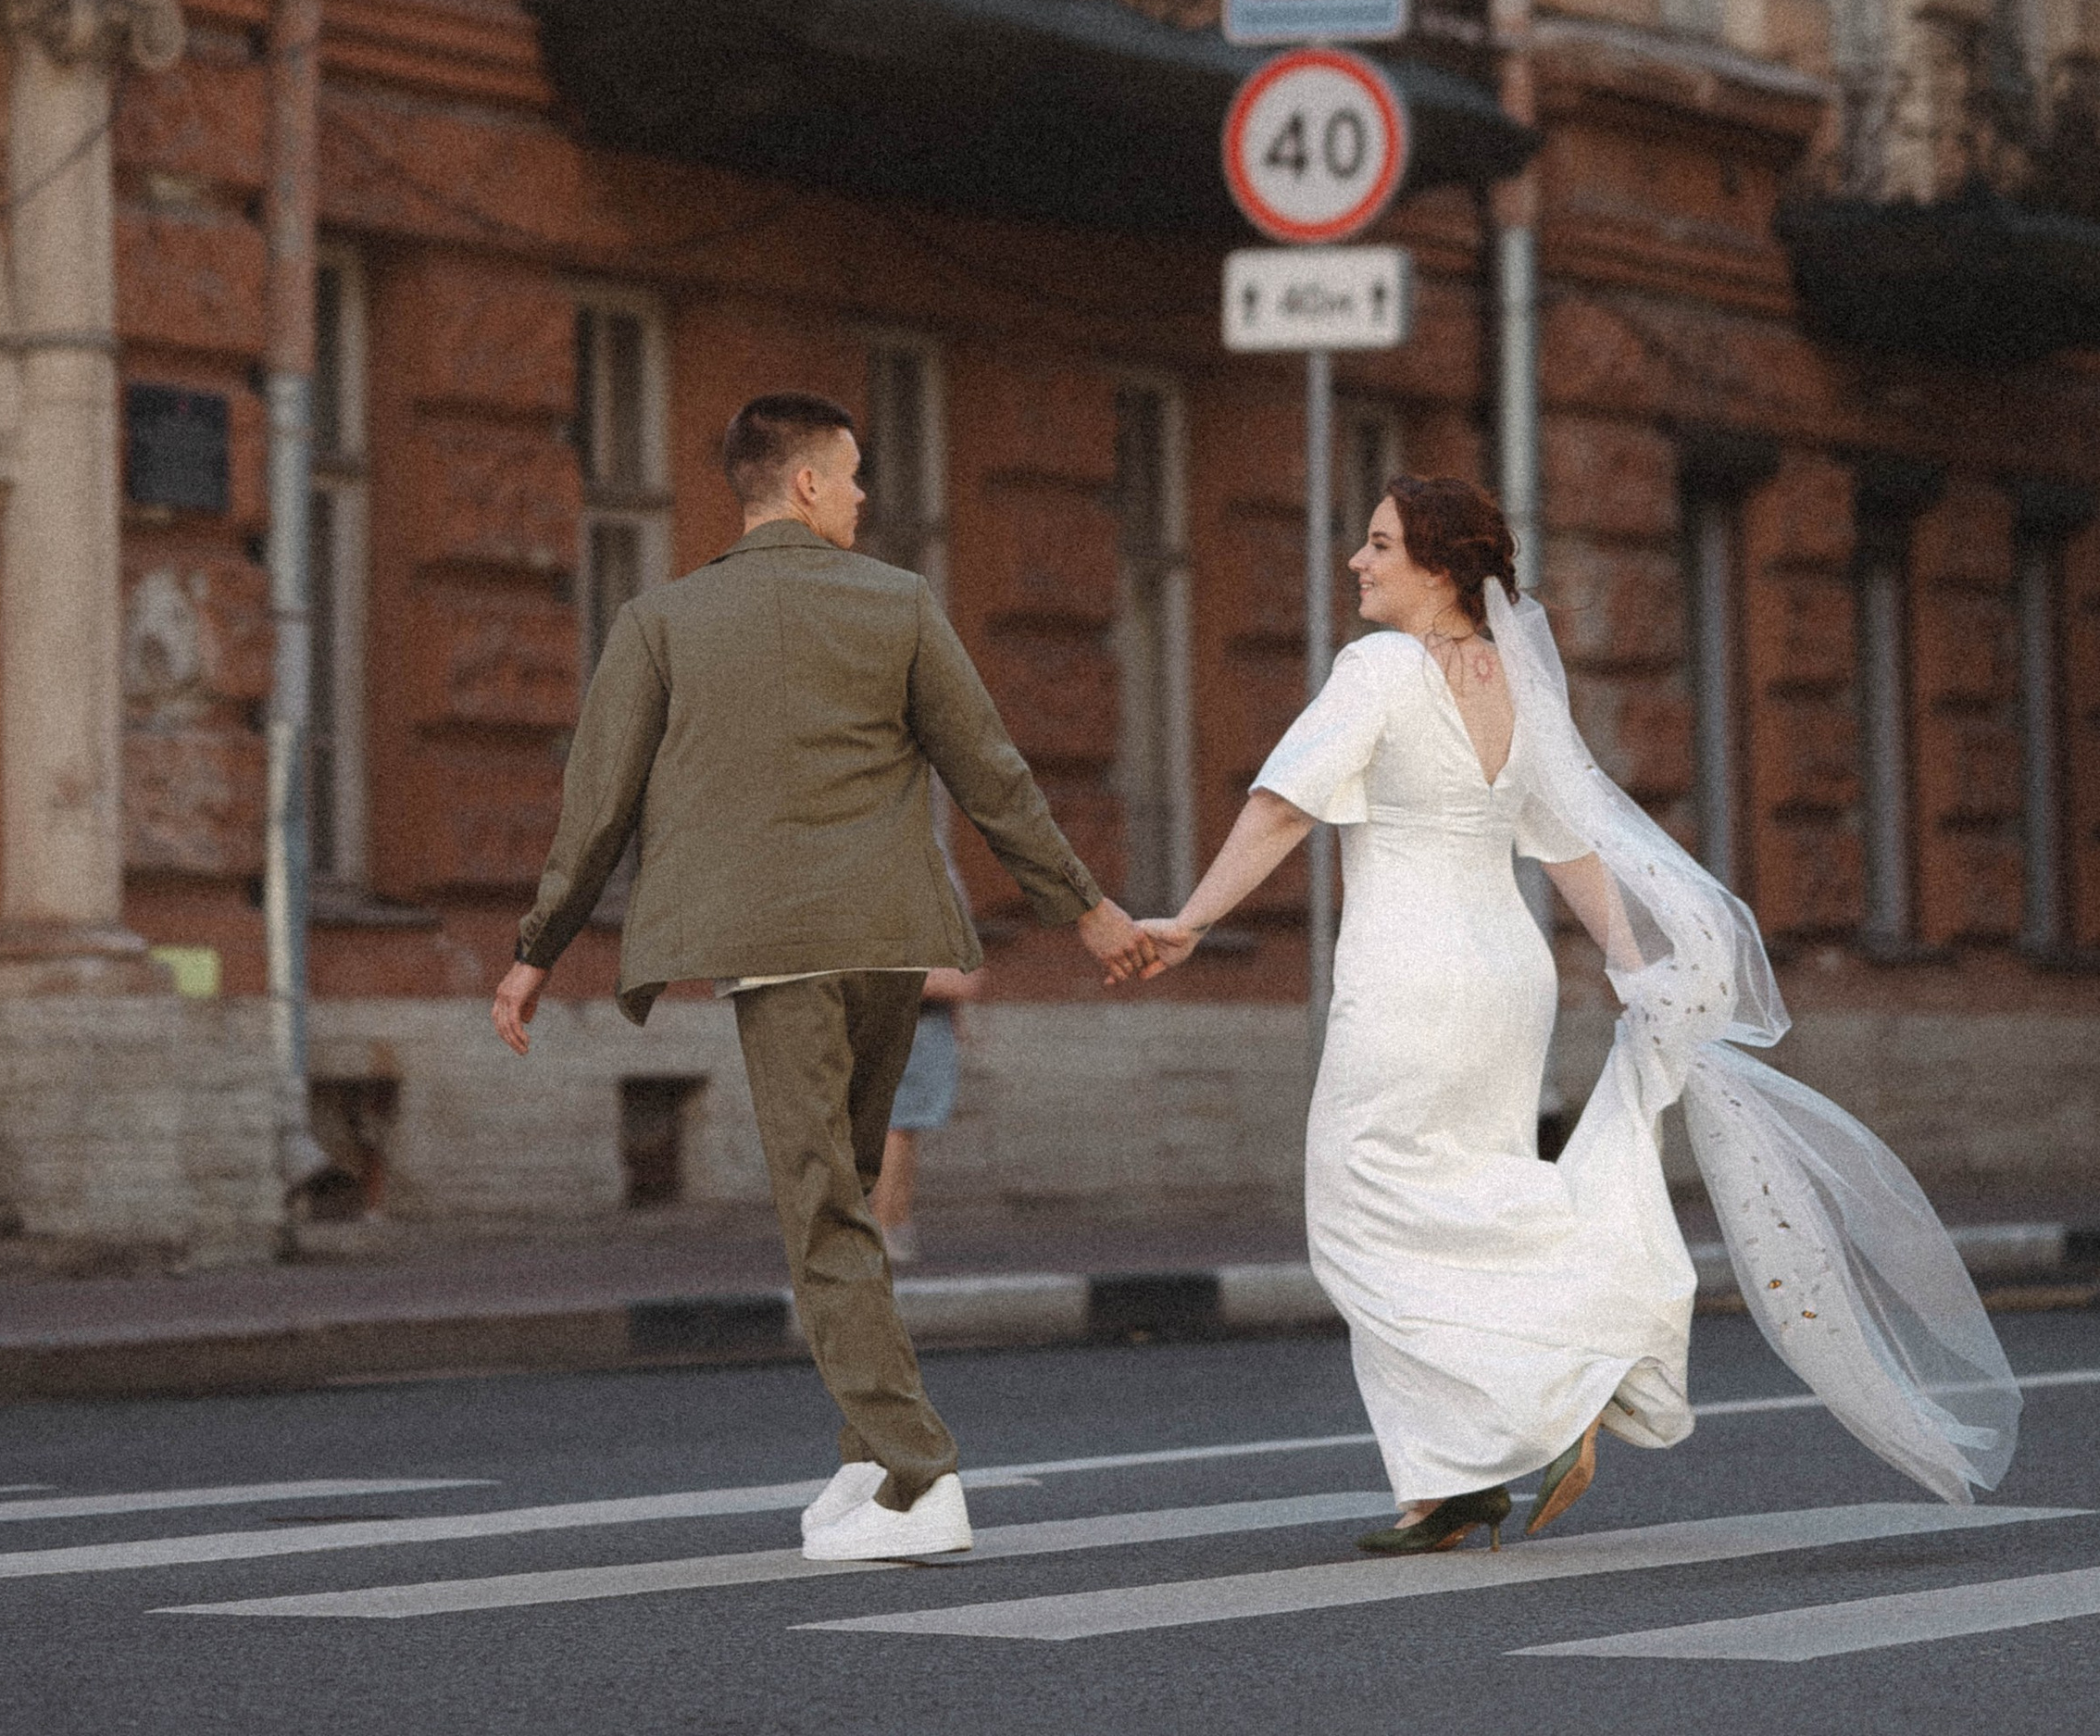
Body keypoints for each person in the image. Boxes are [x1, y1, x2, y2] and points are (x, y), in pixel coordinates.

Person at [1140, 473, 2021, 1555]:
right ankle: (1446, 1482)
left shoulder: (1375, 669)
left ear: (1442, 569)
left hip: (1408, 974)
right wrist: (1627, 963)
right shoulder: (1519, 678)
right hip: (1509, 979)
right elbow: (1566, 844)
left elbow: (1281, 804)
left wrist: (1188, 917)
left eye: (1378, 544)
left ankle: (1569, 1370)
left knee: (1358, 1215)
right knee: (1472, 1194)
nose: (1357, 563)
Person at [491, 390, 1153, 1567]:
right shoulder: (897, 602)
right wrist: (1089, 911)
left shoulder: (662, 618)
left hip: (778, 949)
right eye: (850, 475)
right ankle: (866, 1465)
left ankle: (919, 1471)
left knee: (823, 1209)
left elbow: (596, 806)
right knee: (843, 1190)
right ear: (802, 483)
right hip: (895, 940)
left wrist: (539, 948)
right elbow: (990, 771)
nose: (861, 496)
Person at [869, 959, 981, 1270]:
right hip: (910, 1020)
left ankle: (897, 1221)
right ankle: (883, 1224)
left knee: (908, 1126)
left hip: (928, 1020)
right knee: (898, 1126)